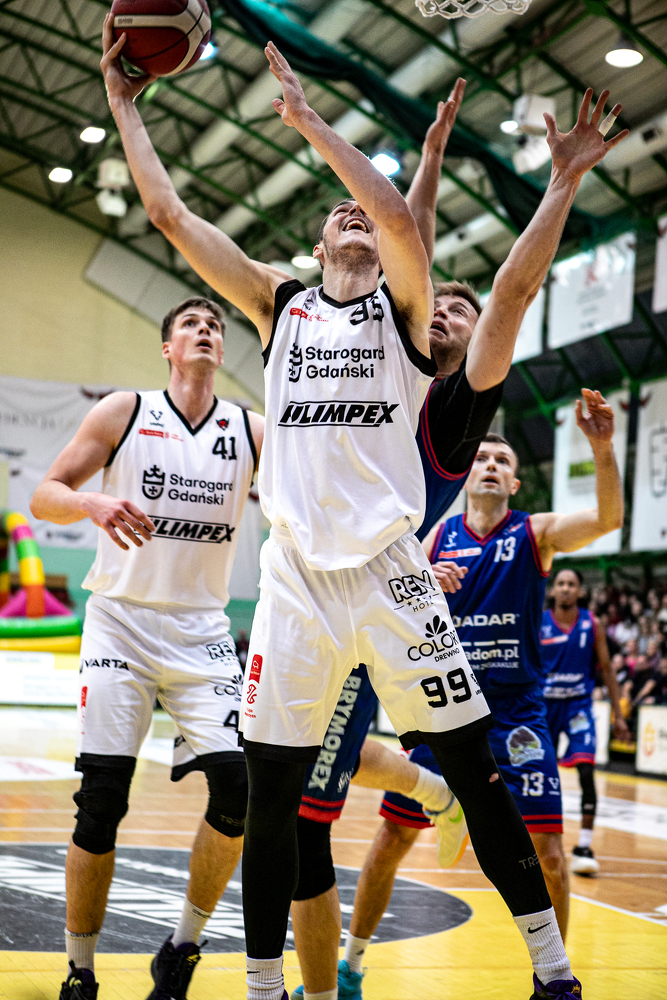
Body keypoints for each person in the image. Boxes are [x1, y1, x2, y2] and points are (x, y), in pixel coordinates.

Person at [103, 17, 626, 995]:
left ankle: (553, 973)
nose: (353, 213)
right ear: (314, 243)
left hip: (392, 573)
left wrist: (311, 122)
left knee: (474, 775)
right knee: (272, 800)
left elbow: (409, 226)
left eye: (363, 214)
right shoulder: (281, 304)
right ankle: (263, 986)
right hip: (297, 579)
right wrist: (125, 105)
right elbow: (169, 215)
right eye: (336, 214)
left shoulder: (410, 315)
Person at [291, 82, 629, 1000]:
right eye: (434, 303)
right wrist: (432, 148)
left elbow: (501, 283)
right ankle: (341, 958)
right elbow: (407, 241)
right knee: (314, 791)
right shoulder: (375, 349)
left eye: (458, 309)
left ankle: (549, 973)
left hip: (410, 626)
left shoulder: (457, 409)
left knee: (478, 809)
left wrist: (560, 182)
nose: (441, 309)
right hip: (326, 591)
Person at [31, 298, 263, 1000]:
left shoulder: (252, 430)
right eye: (191, 324)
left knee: (239, 791)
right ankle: (81, 971)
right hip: (121, 624)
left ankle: (181, 947)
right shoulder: (125, 412)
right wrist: (91, 503)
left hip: (203, 632)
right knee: (101, 801)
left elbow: (313, 504)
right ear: (168, 347)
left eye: (214, 325)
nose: (206, 330)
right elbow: (45, 494)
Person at [540, 568, 629, 876]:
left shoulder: (592, 624)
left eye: (572, 584)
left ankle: (584, 847)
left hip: (578, 707)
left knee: (587, 770)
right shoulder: (538, 622)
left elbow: (607, 668)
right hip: (544, 707)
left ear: (580, 591)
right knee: (539, 774)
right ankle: (536, 842)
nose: (566, 588)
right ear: (553, 590)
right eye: (561, 583)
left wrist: (619, 716)